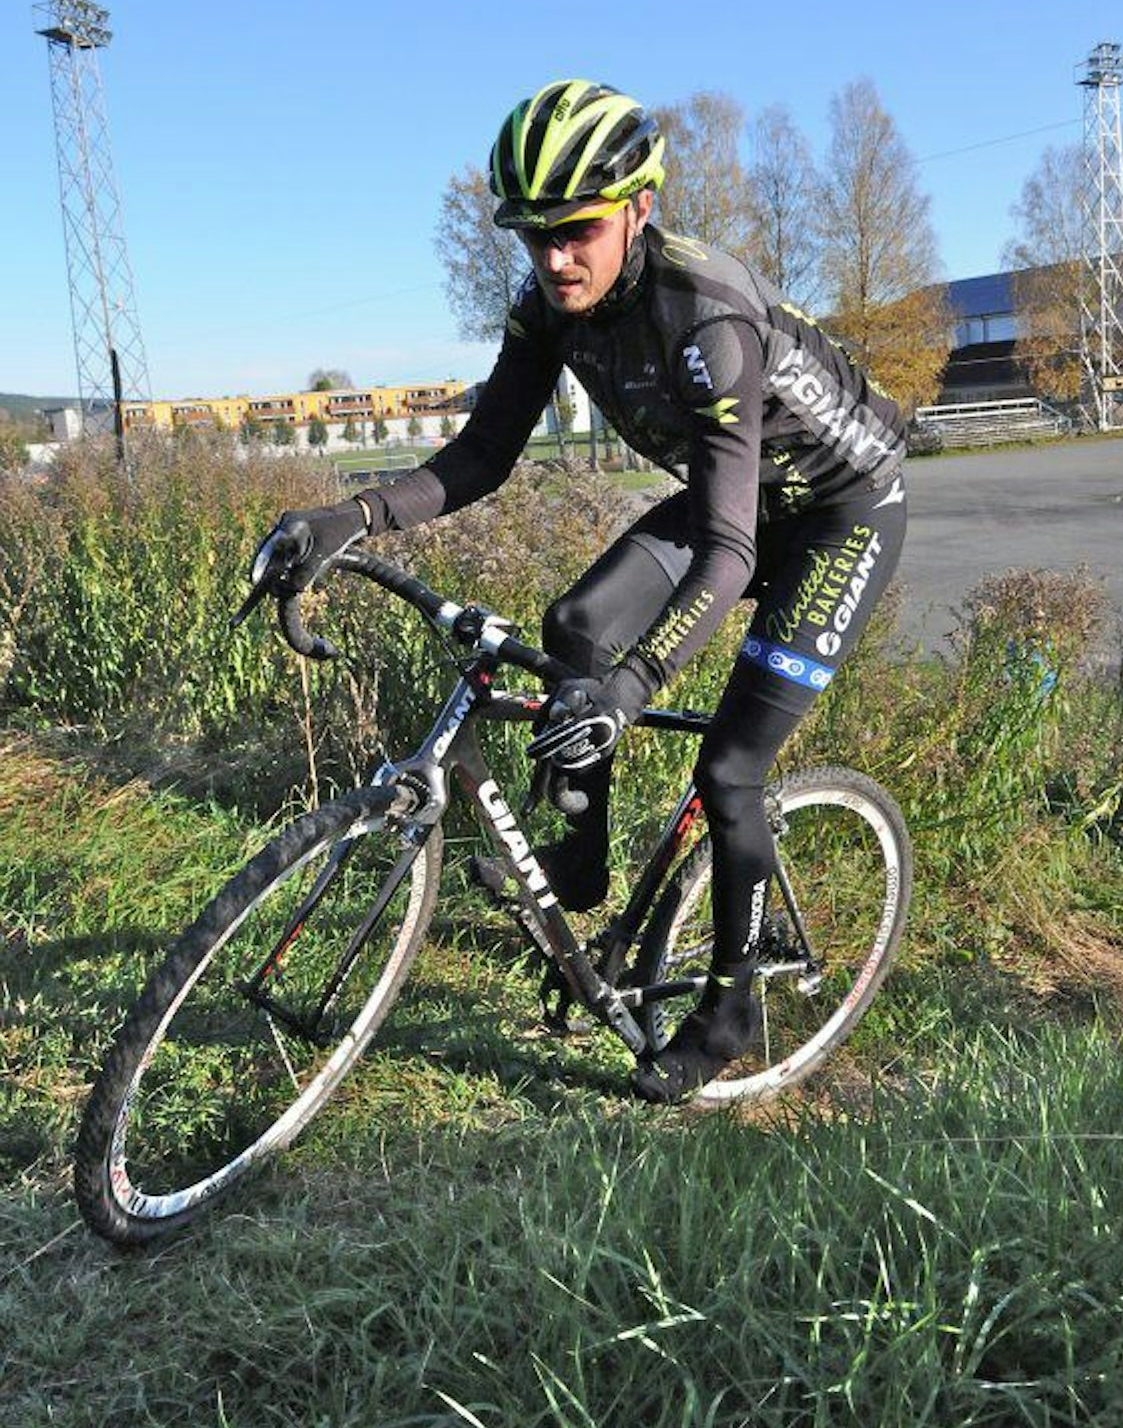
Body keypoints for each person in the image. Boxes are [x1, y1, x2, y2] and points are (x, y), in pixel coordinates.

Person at [259, 79, 908, 1102]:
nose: (555, 257)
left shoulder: (704, 321)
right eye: (534, 236)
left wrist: (634, 686)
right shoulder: (549, 310)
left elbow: (730, 550)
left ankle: (731, 1009)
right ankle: (581, 860)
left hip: (833, 516)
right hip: (731, 502)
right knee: (574, 625)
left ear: (639, 209)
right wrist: (349, 517)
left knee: (731, 767)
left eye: (578, 231)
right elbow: (479, 456)